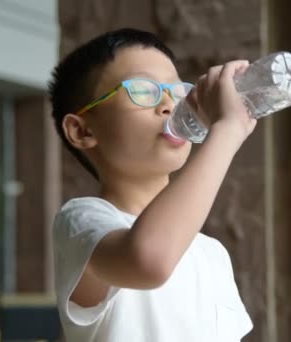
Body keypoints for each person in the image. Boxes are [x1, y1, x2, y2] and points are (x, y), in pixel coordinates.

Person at [48, 28, 256, 342]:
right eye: (144, 91)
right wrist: (227, 130)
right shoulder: (82, 222)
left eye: (177, 93)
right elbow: (148, 261)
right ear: (82, 130)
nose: (170, 106)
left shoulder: (211, 253)